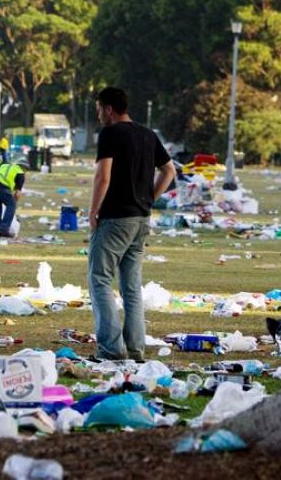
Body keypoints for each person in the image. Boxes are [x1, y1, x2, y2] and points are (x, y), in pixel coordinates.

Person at [88, 87, 176, 361]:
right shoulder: (148, 134)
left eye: (99, 109)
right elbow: (169, 170)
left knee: (99, 279)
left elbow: (103, 176)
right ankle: (136, 349)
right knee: (131, 287)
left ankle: (112, 349)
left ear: (109, 109)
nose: (99, 115)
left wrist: (93, 210)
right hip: (141, 218)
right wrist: (150, 198)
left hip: (115, 218)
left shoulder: (110, 134)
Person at [0, 158, 30, 237]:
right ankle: (4, 229)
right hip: (1, 183)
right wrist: (13, 203)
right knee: (11, 205)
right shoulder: (20, 173)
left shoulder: (6, 166)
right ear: (25, 169)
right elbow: (17, 194)